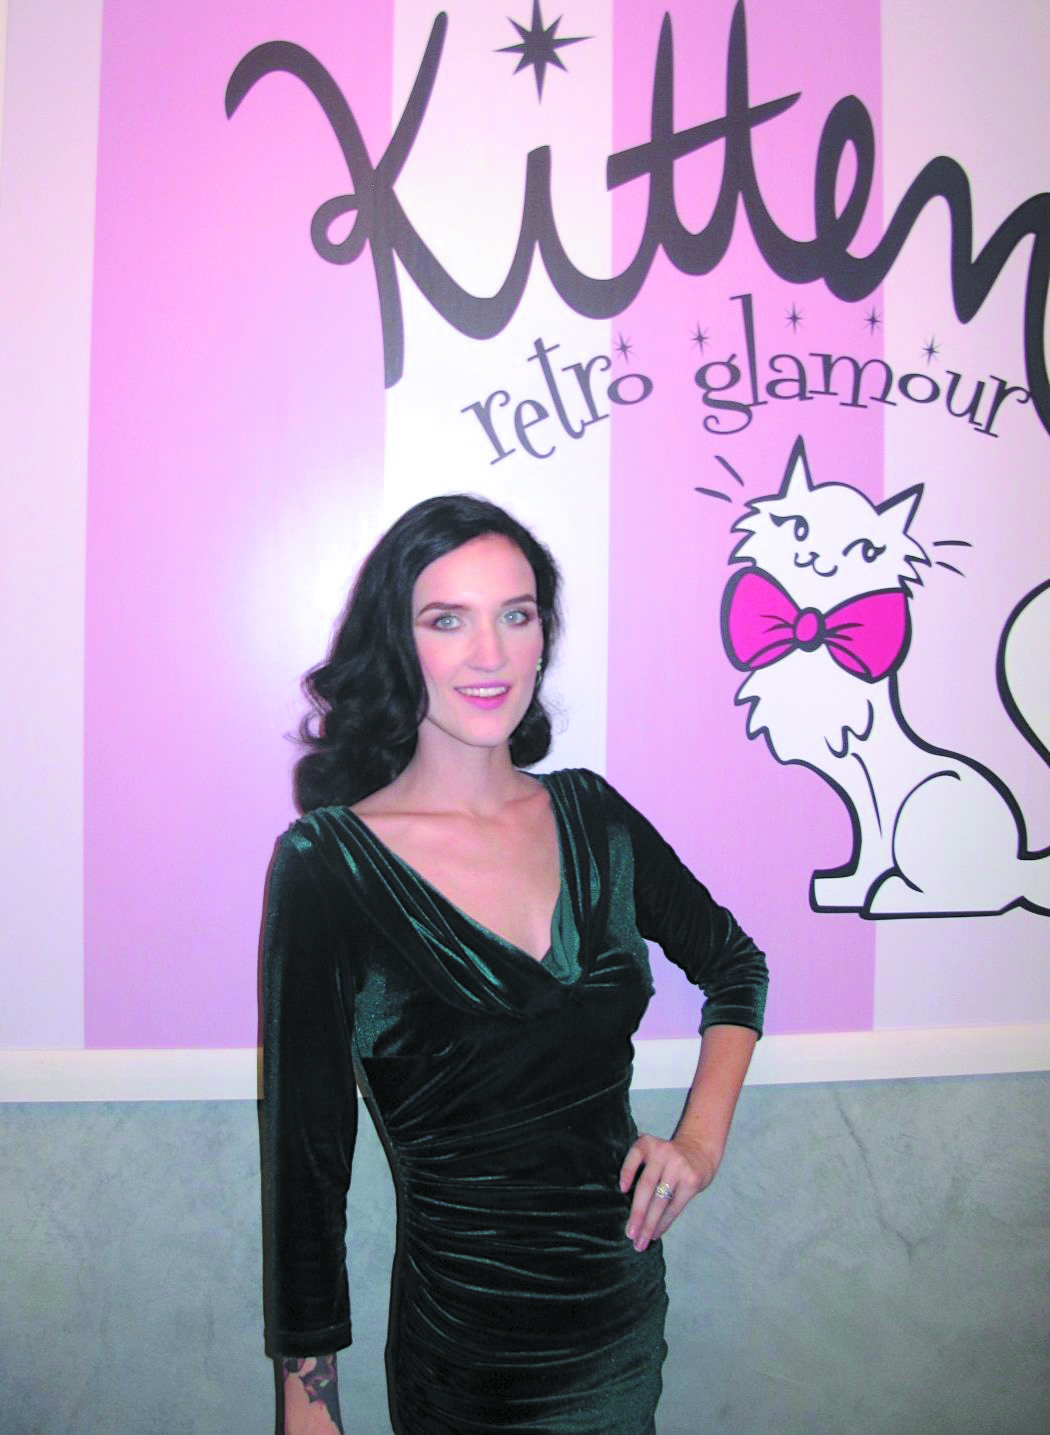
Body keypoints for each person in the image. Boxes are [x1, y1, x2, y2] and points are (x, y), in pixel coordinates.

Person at [261, 494, 768, 1435]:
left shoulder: (594, 816)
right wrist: (308, 1398)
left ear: (543, 637)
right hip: (468, 1356)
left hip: (619, 1322)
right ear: (398, 642)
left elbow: (735, 965)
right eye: (447, 619)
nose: (490, 653)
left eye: (517, 613)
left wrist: (698, 1143)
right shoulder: (327, 866)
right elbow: (307, 1154)